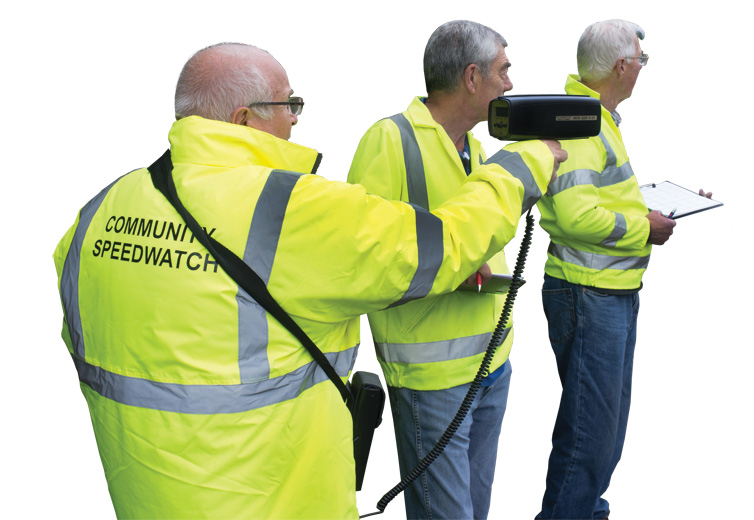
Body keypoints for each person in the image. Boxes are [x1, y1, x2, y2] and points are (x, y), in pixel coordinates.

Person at [53, 43, 565, 520]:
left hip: (148, 498)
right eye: (288, 103)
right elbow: (441, 246)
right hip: (278, 499)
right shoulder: (291, 208)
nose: (296, 116)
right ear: (244, 119)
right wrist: (521, 167)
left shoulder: (100, 211)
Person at [348, 21, 563, 519]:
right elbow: (367, 260)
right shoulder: (389, 141)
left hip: (491, 363)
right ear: (472, 77)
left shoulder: (477, 148)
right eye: (503, 70)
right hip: (432, 378)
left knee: (474, 512)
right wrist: (448, 273)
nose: (510, 84)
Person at [534, 20, 677, 519]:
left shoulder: (596, 117)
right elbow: (574, 215)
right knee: (589, 441)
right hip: (589, 294)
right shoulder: (580, 120)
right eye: (640, 60)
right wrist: (646, 229)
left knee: (603, 438)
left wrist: (660, 207)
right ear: (622, 66)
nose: (641, 68)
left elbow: (595, 196)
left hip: (607, 292)